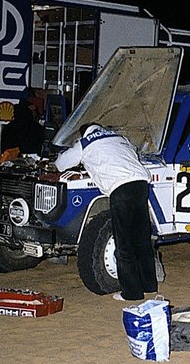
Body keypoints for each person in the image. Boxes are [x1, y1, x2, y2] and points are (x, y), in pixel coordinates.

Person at [55, 124, 157, 301]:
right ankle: (149, 285)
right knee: (141, 239)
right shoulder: (119, 138)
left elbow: (61, 164)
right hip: (141, 185)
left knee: (123, 243)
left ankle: (132, 293)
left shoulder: (86, 142)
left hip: (121, 189)